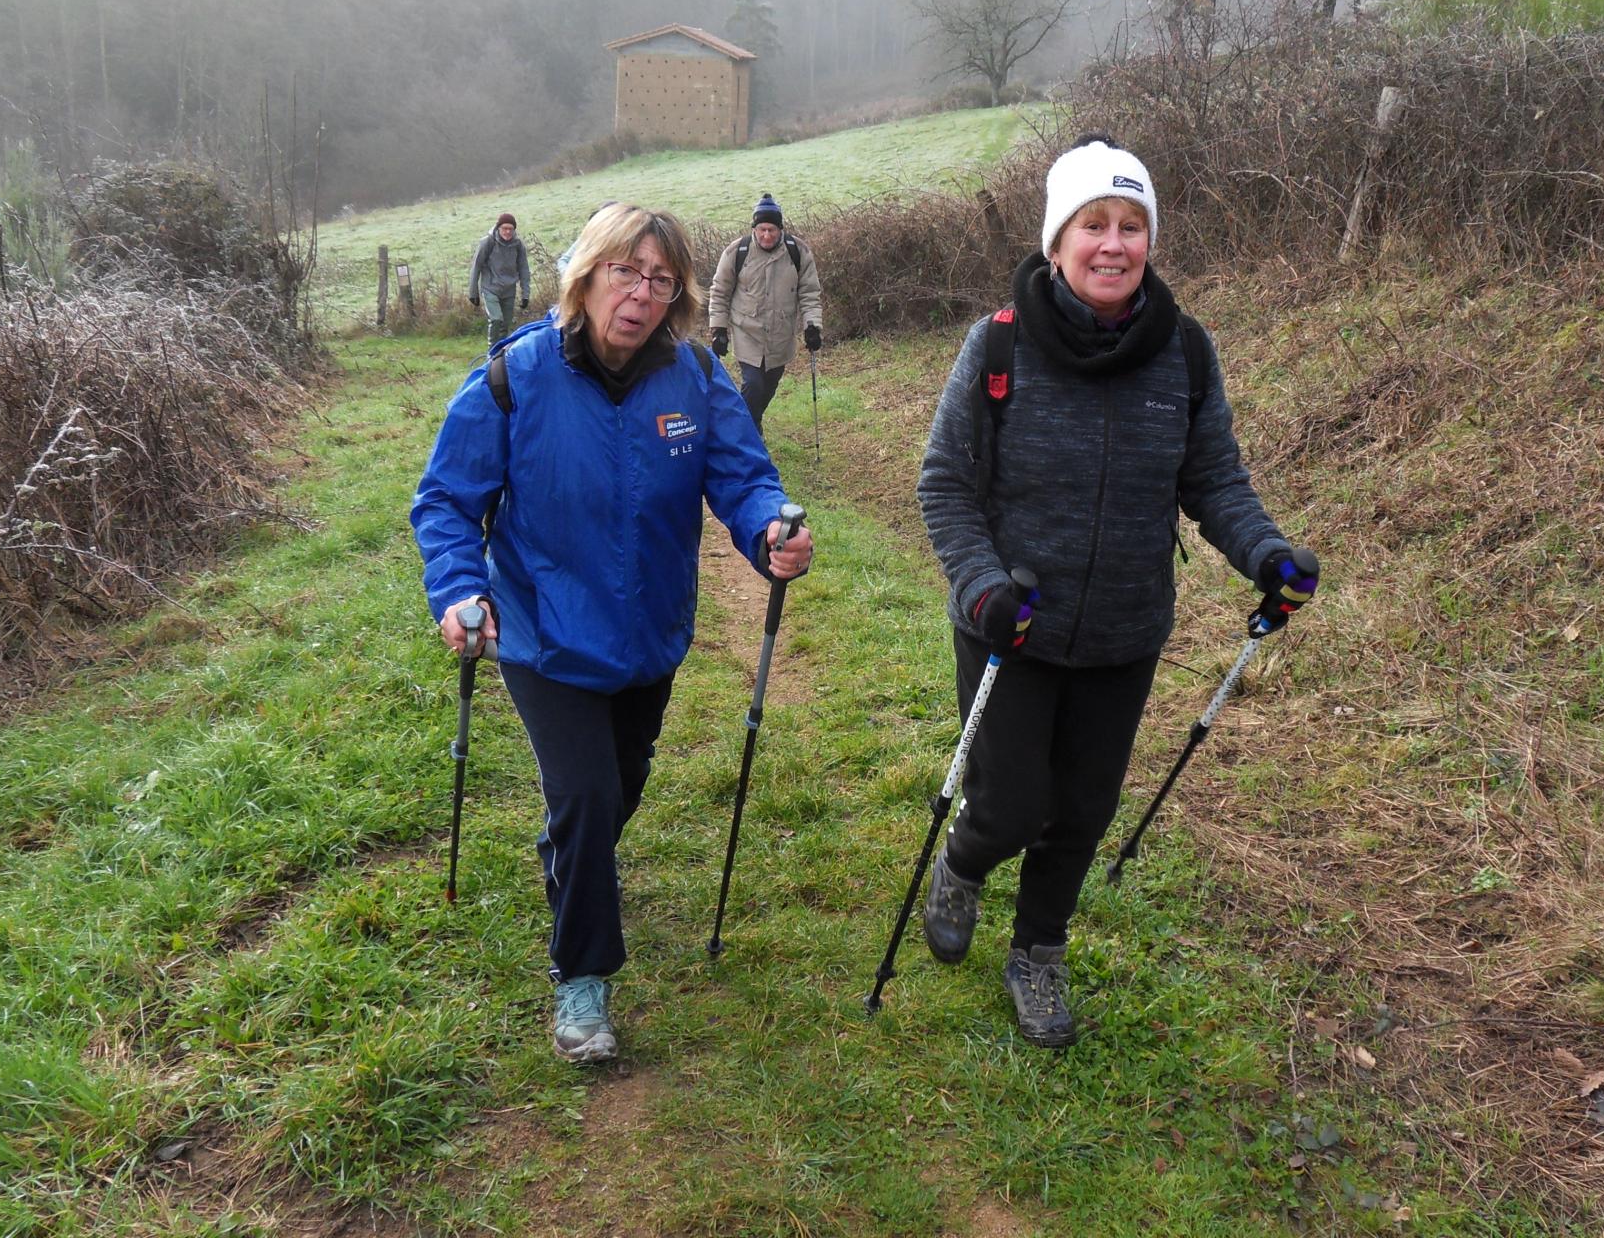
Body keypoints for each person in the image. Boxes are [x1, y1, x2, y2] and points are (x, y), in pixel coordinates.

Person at [914, 135, 1319, 1048]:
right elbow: (944, 481)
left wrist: (1265, 553)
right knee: (1010, 804)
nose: (1113, 243)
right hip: (1008, 626)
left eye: (1131, 225)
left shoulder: (1184, 353)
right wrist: (981, 586)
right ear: (1057, 243)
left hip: (1123, 633)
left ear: (1151, 241)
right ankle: (965, 860)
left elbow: (1213, 480)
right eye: (1092, 223)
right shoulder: (999, 344)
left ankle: (1038, 954)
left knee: (1082, 811)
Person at [412, 202, 814, 1064]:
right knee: (590, 795)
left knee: (616, 791)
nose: (639, 294)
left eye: (660, 279)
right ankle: (582, 979)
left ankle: (569, 853)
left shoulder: (696, 378)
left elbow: (742, 479)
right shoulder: (513, 379)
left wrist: (770, 529)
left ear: (677, 295)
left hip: (648, 634)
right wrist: (458, 590)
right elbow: (447, 501)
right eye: (623, 272)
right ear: (585, 275)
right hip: (542, 634)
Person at [708, 192, 823, 425]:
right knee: (753, 384)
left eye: (771, 229)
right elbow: (719, 292)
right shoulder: (736, 252)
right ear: (754, 229)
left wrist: (813, 326)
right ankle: (745, 433)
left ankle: (752, 422)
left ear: (780, 228)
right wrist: (718, 330)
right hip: (747, 332)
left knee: (769, 386)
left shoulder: (797, 252)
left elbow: (810, 293)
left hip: (781, 334)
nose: (766, 235)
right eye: (762, 229)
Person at [469, 212, 532, 349]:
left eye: (511, 229)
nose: (507, 232)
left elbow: (524, 269)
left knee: (506, 325)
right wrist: (473, 293)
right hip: (490, 288)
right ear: (498, 228)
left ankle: (501, 354)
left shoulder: (518, 245)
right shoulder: (487, 242)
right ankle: (491, 353)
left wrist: (525, 294)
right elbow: (476, 266)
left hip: (509, 290)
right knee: (496, 319)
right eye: (504, 228)